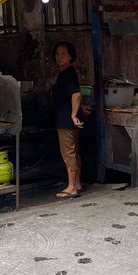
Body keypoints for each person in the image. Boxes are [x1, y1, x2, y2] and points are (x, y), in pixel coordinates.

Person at [52, 41, 83, 198]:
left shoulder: (68, 74)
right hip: (67, 118)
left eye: (63, 54)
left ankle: (71, 187)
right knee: (74, 151)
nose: (59, 57)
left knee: (68, 153)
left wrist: (73, 115)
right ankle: (77, 183)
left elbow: (76, 94)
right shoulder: (67, 73)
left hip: (66, 119)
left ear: (71, 56)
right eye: (57, 54)